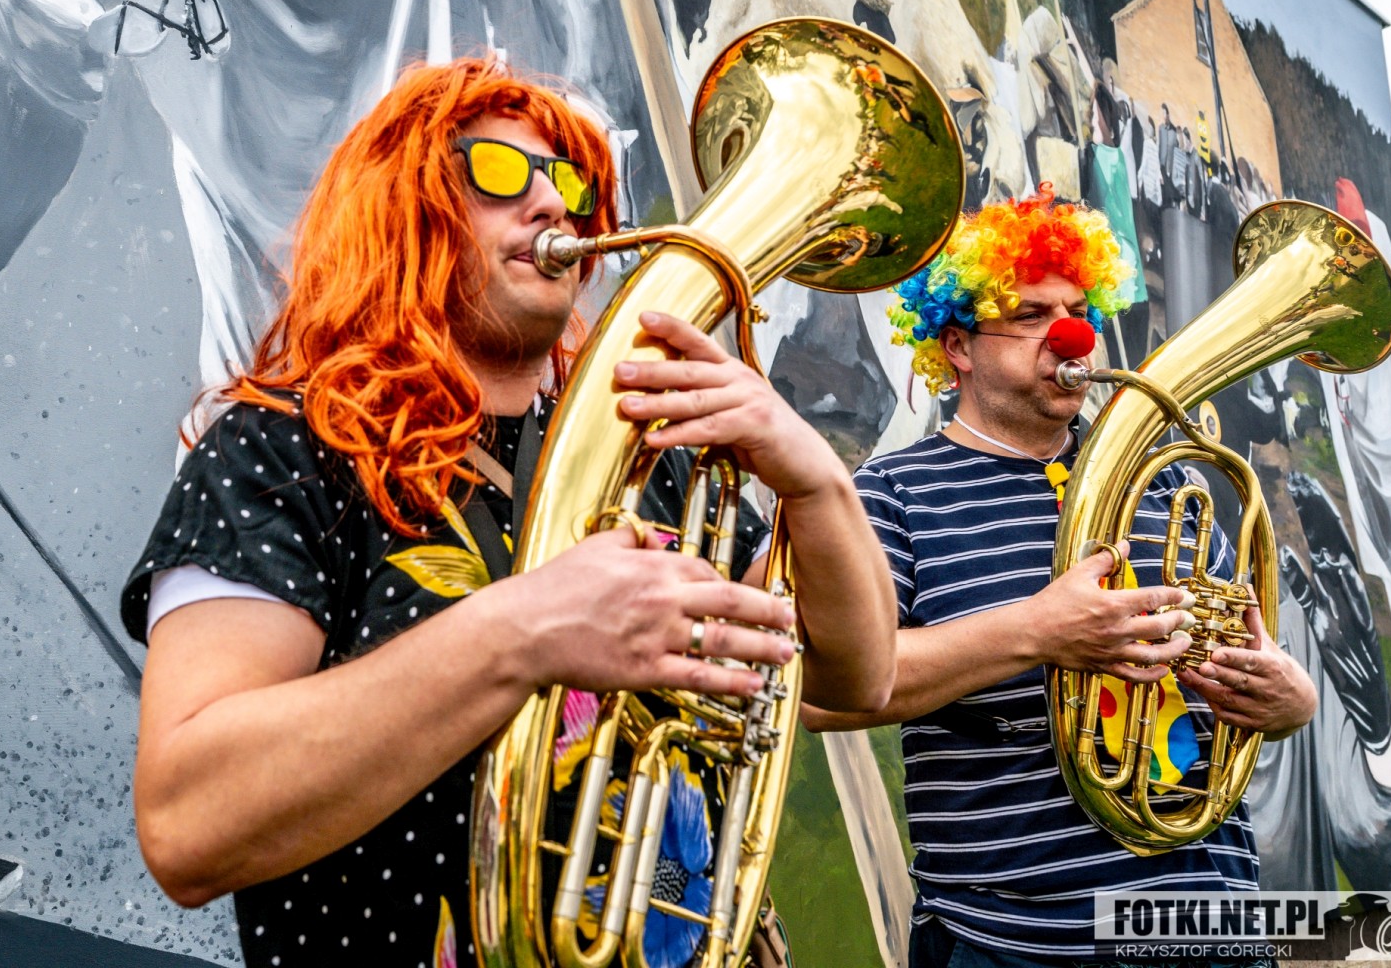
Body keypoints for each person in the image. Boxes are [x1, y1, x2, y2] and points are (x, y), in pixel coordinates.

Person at [118, 58, 896, 967]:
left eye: (569, 183)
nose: (554, 205)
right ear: (403, 207)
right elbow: (188, 825)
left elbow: (852, 677)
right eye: (498, 171)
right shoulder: (283, 446)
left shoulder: (650, 449)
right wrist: (523, 631)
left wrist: (815, 483)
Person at [804, 185, 1317, 967]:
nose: (1070, 335)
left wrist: (1290, 701)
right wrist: (1036, 632)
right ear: (958, 346)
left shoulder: (1168, 481)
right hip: (1016, 943)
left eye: (1078, 310)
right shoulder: (889, 496)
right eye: (1029, 315)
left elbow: (1246, 656)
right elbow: (822, 695)